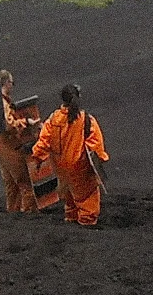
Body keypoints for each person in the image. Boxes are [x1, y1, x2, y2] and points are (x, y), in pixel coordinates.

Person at [31, 84, 109, 226]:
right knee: (87, 199)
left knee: (69, 197)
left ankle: (71, 220)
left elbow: (44, 141)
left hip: (61, 169)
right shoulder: (86, 120)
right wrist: (101, 159)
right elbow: (95, 145)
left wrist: (36, 157)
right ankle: (86, 225)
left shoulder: (54, 119)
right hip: (80, 168)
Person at [0, 70, 38, 212]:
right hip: (9, 146)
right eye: (12, 83)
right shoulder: (3, 104)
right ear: (7, 83)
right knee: (24, 182)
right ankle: (30, 211)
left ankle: (13, 211)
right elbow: (9, 125)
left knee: (11, 183)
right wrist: (26, 122)